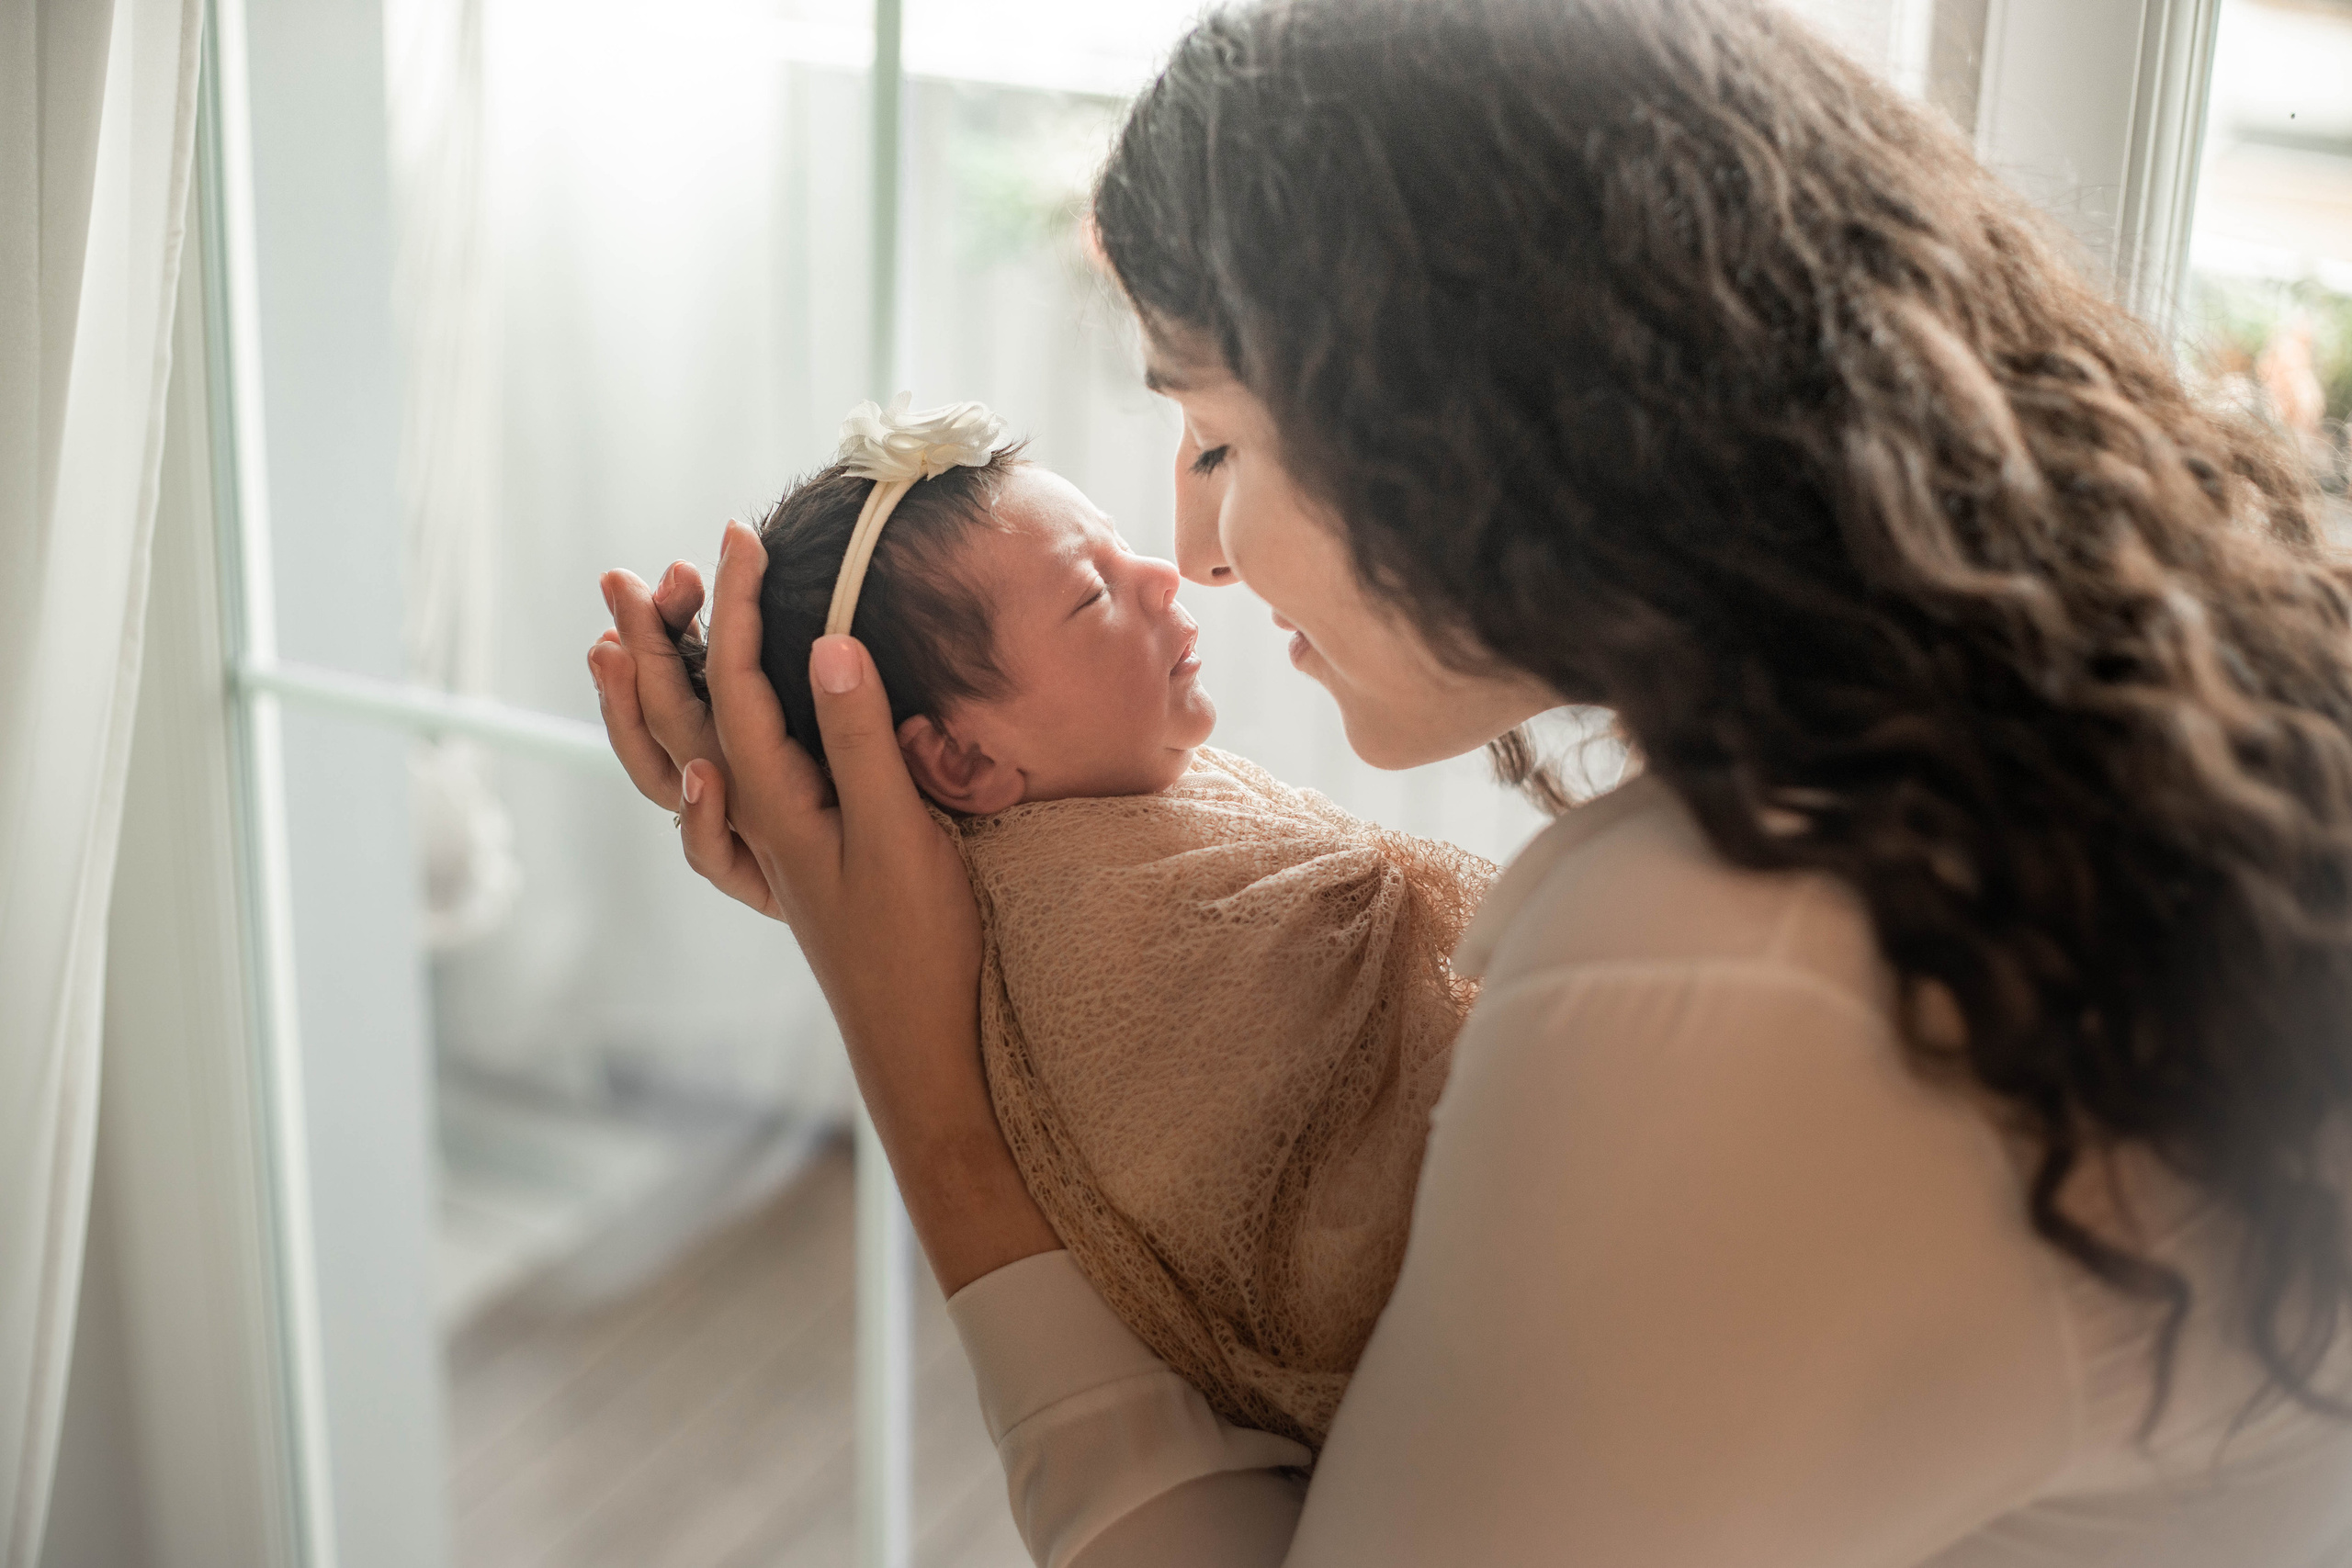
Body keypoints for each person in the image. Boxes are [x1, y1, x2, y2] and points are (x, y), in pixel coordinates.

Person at [588, 0, 2352, 1562]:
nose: (1192, 551)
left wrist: (927, 1083)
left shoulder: (1737, 963)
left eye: (1213, 438)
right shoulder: (2064, 719)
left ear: (1458, 426)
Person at [675, 396, 1493, 1450]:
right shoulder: (1093, 932)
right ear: (963, 762)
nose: (1166, 571)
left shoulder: (1115, 813)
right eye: (1091, 591)